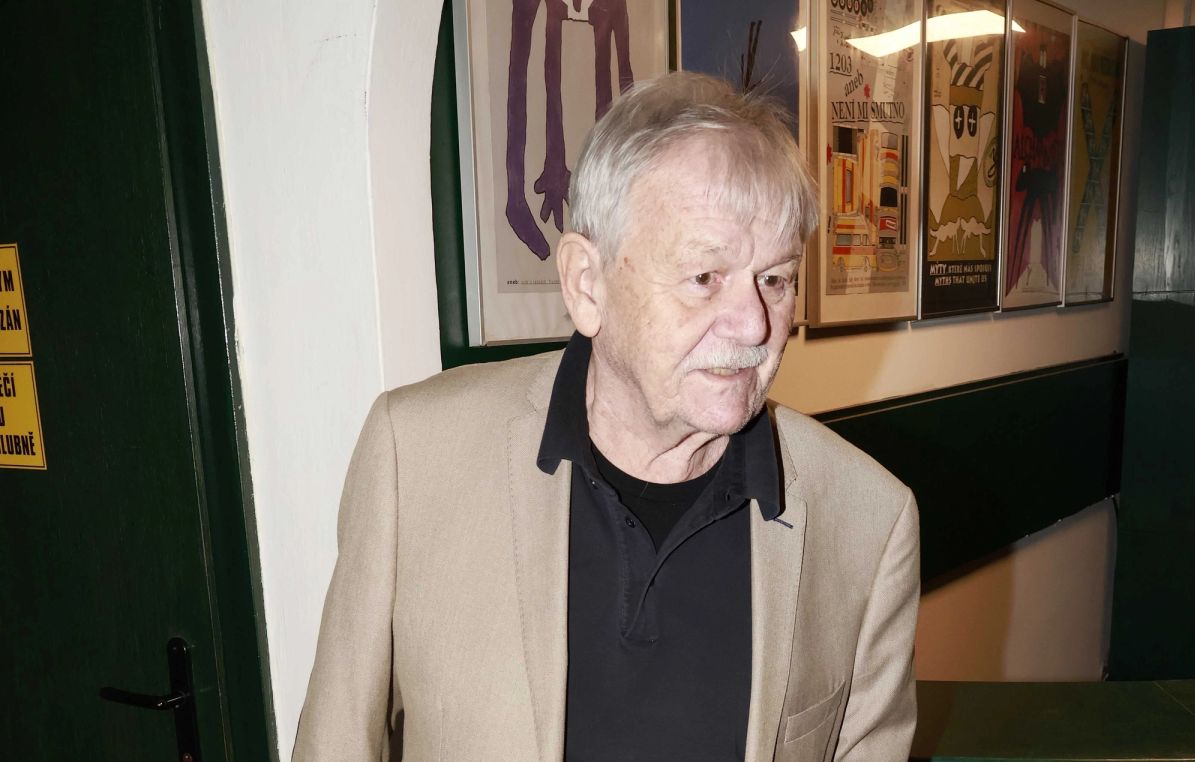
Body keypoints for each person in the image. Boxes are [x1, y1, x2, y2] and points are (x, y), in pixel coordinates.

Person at [294, 71, 919, 761]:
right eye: (704, 277)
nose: (755, 323)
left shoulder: (867, 520)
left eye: (775, 279)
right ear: (586, 284)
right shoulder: (415, 457)